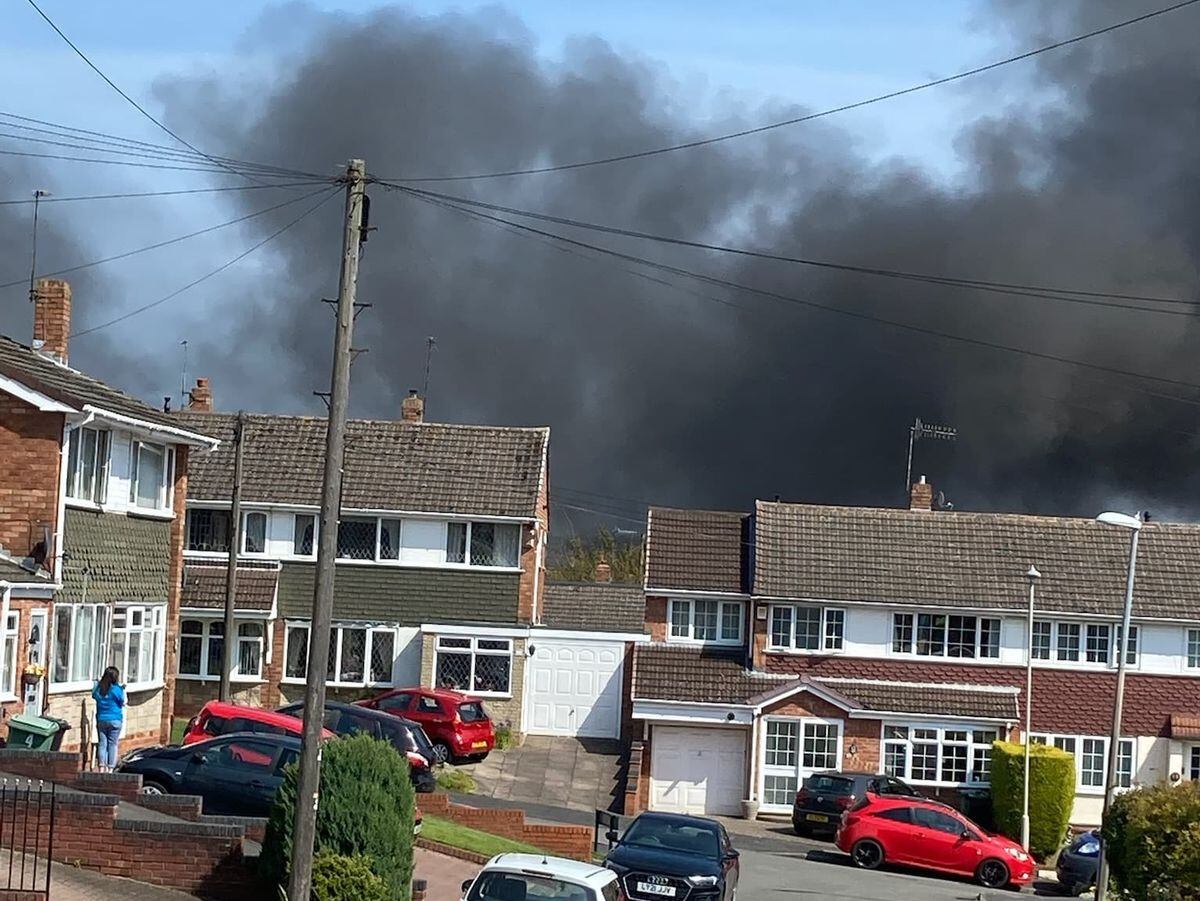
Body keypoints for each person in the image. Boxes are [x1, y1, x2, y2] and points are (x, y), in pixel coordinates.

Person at [91, 666, 125, 772]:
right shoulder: (117, 689)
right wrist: (122, 689)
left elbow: (94, 695)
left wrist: (97, 683)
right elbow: (122, 702)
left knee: (102, 743)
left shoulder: (99, 689)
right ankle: (110, 769)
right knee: (113, 744)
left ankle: (101, 767)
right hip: (115, 720)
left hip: (101, 719)